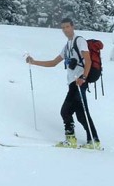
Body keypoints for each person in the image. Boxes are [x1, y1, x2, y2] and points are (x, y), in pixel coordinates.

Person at [26, 17, 101, 149]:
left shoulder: (80, 41)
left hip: (79, 83)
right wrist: (34, 62)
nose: (65, 30)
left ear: (72, 27)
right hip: (73, 83)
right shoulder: (67, 47)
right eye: (63, 27)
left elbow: (88, 61)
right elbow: (53, 63)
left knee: (65, 111)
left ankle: (75, 140)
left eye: (67, 26)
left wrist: (83, 77)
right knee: (81, 114)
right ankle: (93, 141)